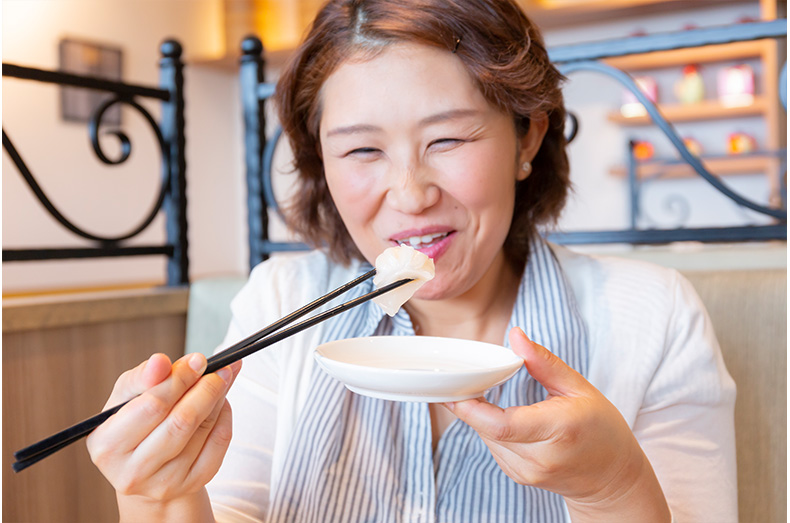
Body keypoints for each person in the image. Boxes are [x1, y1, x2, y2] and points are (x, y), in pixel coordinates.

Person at [86, 0, 737, 521]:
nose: (411, 192)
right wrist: (157, 493)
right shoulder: (280, 300)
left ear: (526, 137)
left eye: (448, 138)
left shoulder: (651, 315)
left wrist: (614, 487)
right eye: (362, 151)